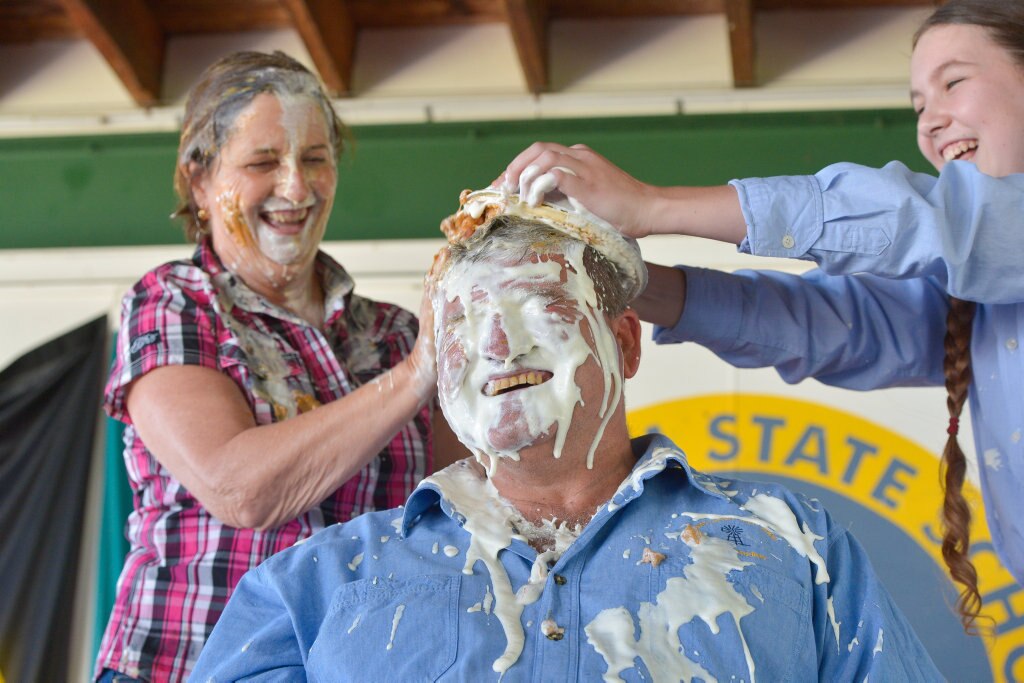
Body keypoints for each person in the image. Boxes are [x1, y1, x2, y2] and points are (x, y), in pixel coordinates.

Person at [189, 192, 940, 681]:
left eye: (537, 305)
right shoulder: (315, 585)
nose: (496, 343)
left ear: (626, 343)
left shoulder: (797, 548)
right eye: (460, 324)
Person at [491, 0, 1024, 635]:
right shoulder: (980, 288)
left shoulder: (979, 233)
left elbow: (921, 219)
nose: (931, 121)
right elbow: (829, 324)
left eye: (954, 82)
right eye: (916, 105)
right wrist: (632, 281)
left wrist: (652, 205)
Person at [93, 51, 464, 682]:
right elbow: (242, 490)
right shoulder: (172, 302)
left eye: (316, 158)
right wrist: (416, 374)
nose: (296, 187)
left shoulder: (395, 329)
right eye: (263, 162)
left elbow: (460, 513)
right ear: (200, 179)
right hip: (181, 665)